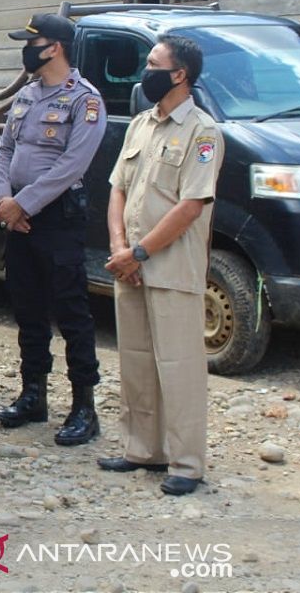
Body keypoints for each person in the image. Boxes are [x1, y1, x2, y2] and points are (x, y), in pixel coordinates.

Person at [99, 34, 224, 496]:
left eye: (153, 64)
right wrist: (120, 249)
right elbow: (117, 189)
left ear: (179, 75)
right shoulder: (140, 126)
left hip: (170, 267)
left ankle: (186, 463)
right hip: (128, 265)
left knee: (179, 365)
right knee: (136, 361)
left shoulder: (203, 133)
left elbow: (191, 205)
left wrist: (141, 251)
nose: (143, 73)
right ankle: (142, 450)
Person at [0, 13, 107, 446]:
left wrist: (24, 203)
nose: (26, 49)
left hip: (57, 220)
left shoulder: (84, 100)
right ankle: (33, 395)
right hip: (17, 220)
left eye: (31, 42)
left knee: (72, 313)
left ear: (53, 47)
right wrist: (3, 201)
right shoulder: (26, 95)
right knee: (28, 310)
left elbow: (72, 165)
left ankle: (83, 408)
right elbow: (5, 150)